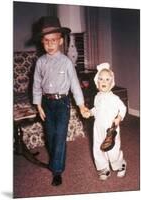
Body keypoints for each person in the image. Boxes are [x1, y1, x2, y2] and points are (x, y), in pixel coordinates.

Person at [33, 16, 89, 186]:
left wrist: (81, 105)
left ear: (60, 41)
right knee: (50, 136)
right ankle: (55, 160)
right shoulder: (40, 62)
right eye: (46, 41)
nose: (50, 44)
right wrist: (38, 105)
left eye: (54, 40)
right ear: (42, 42)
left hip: (62, 103)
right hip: (47, 104)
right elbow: (36, 84)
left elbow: (75, 85)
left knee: (60, 137)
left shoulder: (66, 62)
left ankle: (57, 171)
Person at [85, 63, 127, 181]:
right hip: (98, 128)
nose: (104, 81)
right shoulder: (97, 97)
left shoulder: (114, 98)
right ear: (97, 82)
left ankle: (120, 164)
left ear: (111, 83)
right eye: (101, 79)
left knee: (112, 150)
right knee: (98, 149)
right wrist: (90, 112)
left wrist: (119, 117)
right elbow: (96, 109)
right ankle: (103, 168)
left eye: (107, 79)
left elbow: (123, 108)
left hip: (111, 130)